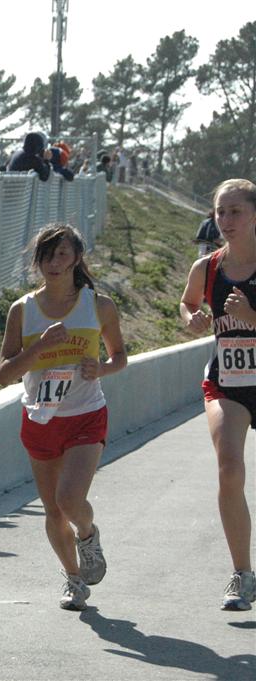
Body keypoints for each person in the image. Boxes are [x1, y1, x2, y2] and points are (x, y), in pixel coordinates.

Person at [0, 224, 127, 611]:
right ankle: (74, 579)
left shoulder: (98, 305)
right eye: (47, 255)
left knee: (69, 499)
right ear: (37, 261)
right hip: (40, 419)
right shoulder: (22, 310)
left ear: (76, 259)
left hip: (86, 414)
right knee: (52, 509)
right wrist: (38, 349)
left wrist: (101, 369)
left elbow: (119, 356)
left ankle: (87, 533)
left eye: (62, 254)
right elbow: (4, 373)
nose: (54, 263)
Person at [179, 178, 256, 611]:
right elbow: (188, 302)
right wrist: (192, 317)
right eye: (220, 212)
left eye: (235, 211)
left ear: (255, 215)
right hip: (229, 382)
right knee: (229, 469)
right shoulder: (207, 268)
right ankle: (243, 575)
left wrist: (250, 316)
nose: (225, 220)